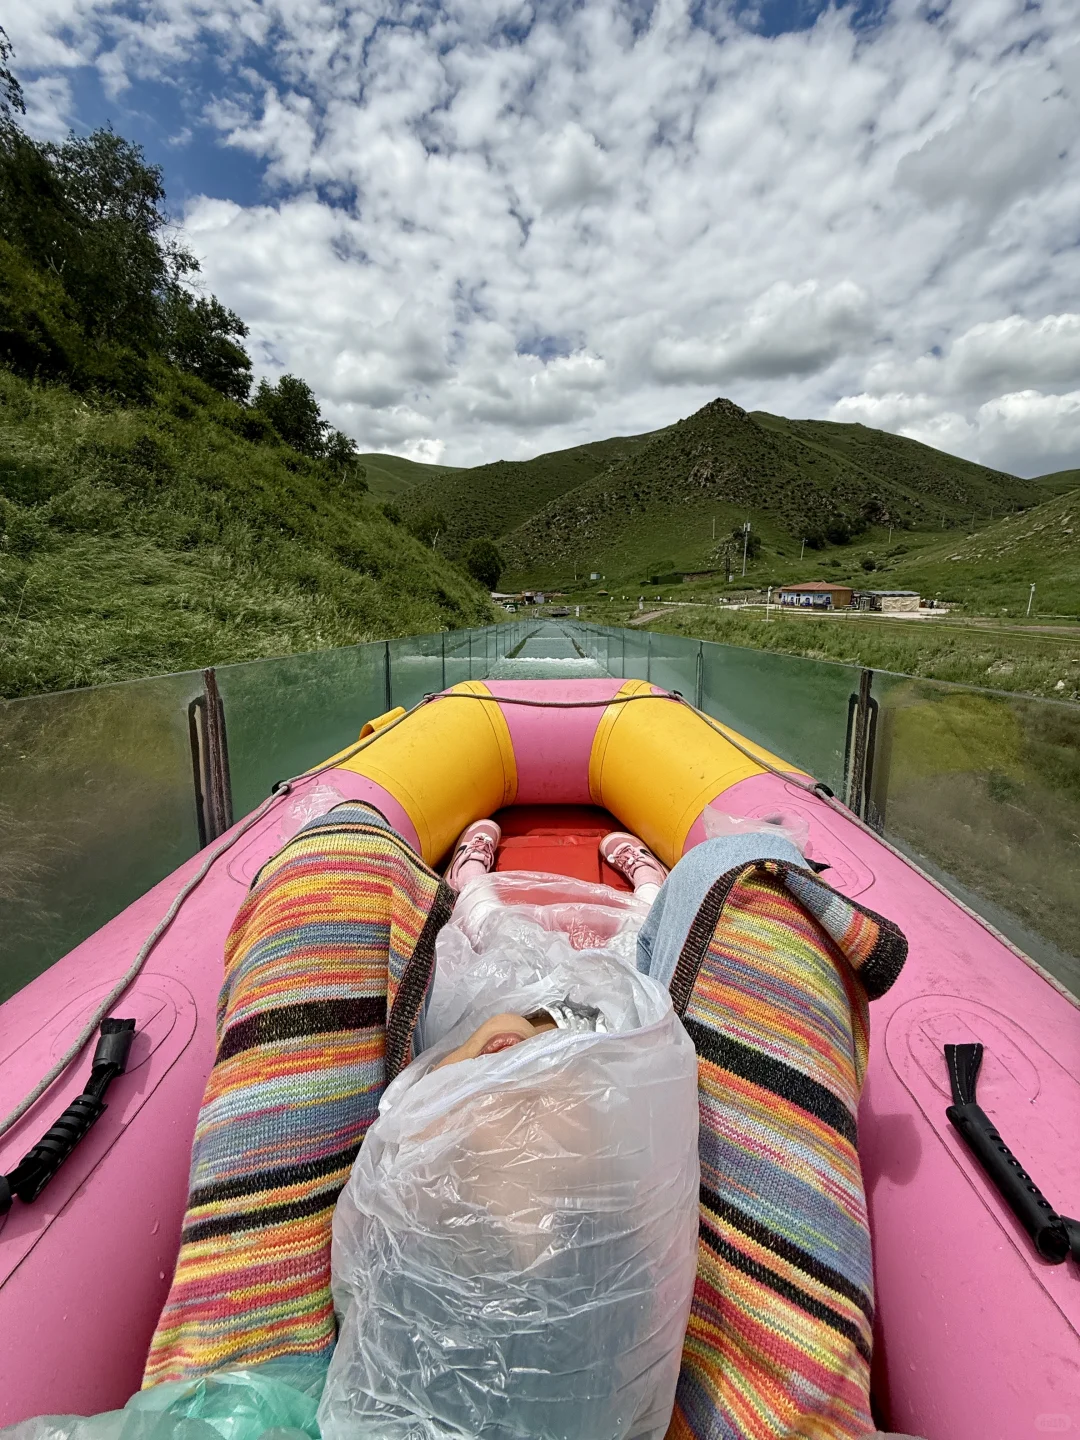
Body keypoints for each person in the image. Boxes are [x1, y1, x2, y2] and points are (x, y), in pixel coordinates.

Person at [140, 800, 912, 1440]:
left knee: (373, 880)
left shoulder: (242, 1403)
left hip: (517, 981)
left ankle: (474, 871)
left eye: (462, 1126)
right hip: (615, 1003)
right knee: (733, 891)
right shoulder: (758, 1410)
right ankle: (647, 883)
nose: (514, 1071)